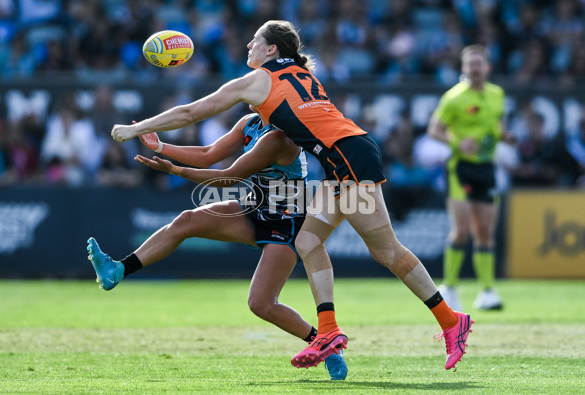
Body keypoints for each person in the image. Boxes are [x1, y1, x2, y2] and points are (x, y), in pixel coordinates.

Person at [110, 20, 473, 371]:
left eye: (255, 40)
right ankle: (328, 332)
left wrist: (137, 127)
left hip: (348, 157)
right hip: (346, 154)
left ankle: (450, 321)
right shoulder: (299, 73)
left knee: (386, 251)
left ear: (271, 49)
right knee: (308, 241)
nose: (249, 45)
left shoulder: (260, 79)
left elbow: (192, 111)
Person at [88, 111, 348, 380]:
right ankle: (117, 270)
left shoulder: (280, 137)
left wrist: (174, 170)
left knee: (261, 303)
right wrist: (161, 147)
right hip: (254, 209)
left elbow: (229, 177)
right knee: (186, 221)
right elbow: (208, 152)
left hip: (286, 223)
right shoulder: (251, 122)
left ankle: (324, 345)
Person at [428, 45, 515, 311]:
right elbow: (434, 130)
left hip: (486, 167)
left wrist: (505, 136)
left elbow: (496, 125)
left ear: (487, 67)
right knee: (462, 229)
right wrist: (456, 142)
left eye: (479, 64)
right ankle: (449, 287)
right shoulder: (453, 98)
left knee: (485, 231)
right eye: (470, 64)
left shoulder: (497, 94)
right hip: (460, 168)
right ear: (464, 69)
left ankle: (487, 291)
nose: (475, 68)